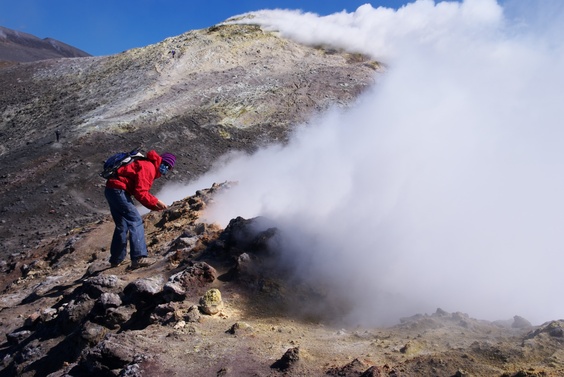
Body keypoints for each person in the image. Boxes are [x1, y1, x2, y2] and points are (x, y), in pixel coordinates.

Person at [104, 150, 176, 269]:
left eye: (169, 167)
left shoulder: (147, 164)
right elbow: (140, 193)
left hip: (112, 189)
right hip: (118, 191)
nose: (166, 168)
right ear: (160, 161)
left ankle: (116, 259)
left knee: (122, 225)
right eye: (166, 164)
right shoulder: (149, 167)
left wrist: (154, 205)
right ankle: (138, 257)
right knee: (135, 221)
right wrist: (156, 203)